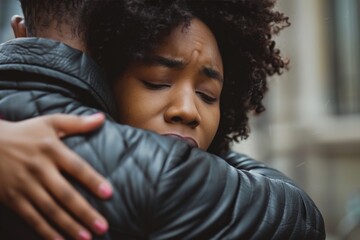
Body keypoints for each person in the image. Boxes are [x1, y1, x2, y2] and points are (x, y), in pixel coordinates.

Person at [0, 0, 325, 239]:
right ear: (105, 72)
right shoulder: (124, 170)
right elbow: (297, 219)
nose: (187, 110)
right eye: (156, 82)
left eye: (209, 95)